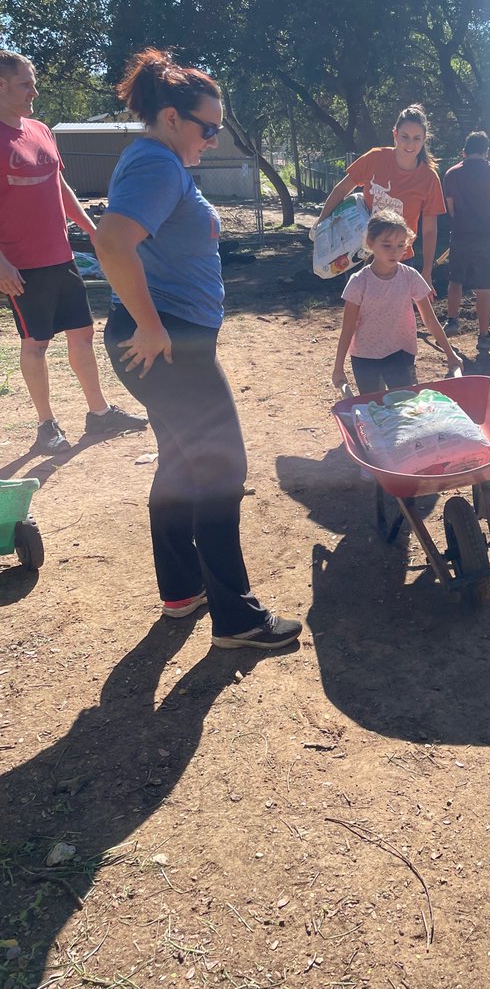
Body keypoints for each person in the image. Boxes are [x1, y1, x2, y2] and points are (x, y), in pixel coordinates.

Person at [93, 48, 301, 651]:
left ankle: (183, 590)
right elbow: (111, 242)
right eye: (207, 128)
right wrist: (152, 325)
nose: (213, 139)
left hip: (174, 340)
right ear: (170, 117)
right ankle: (236, 619)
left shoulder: (159, 161)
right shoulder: (157, 164)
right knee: (221, 467)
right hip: (170, 344)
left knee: (183, 463)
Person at [0, 50, 147, 453]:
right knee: (36, 344)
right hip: (22, 266)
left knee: (82, 335)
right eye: (25, 83)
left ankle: (99, 415)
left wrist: (93, 230)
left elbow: (60, 188)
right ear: (1, 85)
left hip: (61, 257)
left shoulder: (40, 130)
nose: (34, 90)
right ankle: (46, 426)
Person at [314, 104, 445, 293]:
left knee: (396, 317)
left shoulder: (429, 178)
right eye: (405, 137)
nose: (410, 144)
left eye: (417, 138)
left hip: (399, 257)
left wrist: (426, 272)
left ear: (424, 139)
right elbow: (342, 189)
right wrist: (321, 224)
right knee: (360, 316)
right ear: (395, 134)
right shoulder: (375, 158)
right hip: (361, 254)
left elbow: (430, 229)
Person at [332, 210, 463, 394]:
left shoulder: (410, 277)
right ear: (371, 243)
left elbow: (429, 320)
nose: (395, 252)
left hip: (400, 353)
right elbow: (348, 327)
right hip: (365, 357)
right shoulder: (359, 282)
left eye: (400, 245)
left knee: (407, 406)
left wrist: (450, 353)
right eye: (387, 245)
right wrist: (338, 367)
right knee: (375, 407)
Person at [441, 131, 490, 351]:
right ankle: (484, 337)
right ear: (486, 151)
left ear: (464, 151)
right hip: (485, 236)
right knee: (483, 288)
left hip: (460, 234)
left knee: (455, 281)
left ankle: (452, 321)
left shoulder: (451, 174)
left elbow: (451, 208)